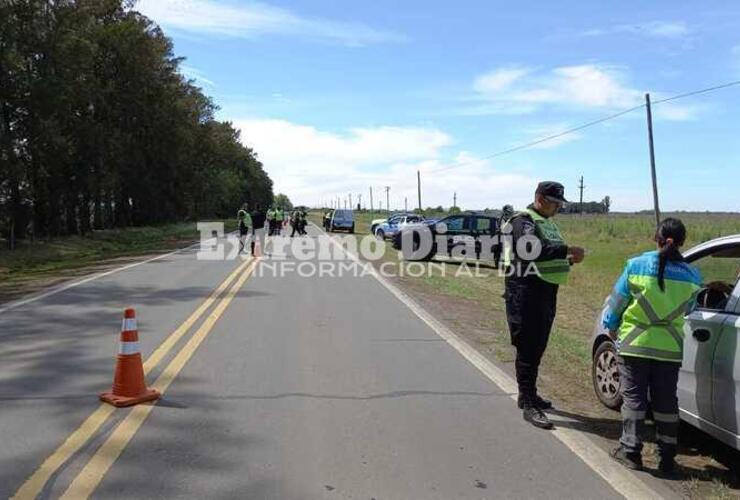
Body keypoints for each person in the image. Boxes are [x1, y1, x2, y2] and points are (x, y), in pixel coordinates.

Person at [604, 218, 702, 477]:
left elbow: (617, 302)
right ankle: (667, 458)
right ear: (682, 242)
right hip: (669, 348)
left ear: (655, 238)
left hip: (634, 346)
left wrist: (610, 325)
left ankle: (631, 452)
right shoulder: (693, 275)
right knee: (666, 402)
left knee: (634, 400)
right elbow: (691, 308)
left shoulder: (635, 265)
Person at [502, 182, 585, 429]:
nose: (558, 207)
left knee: (538, 345)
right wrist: (566, 249)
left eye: (560, 203)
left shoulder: (545, 221)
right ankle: (528, 403)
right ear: (539, 198)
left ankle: (529, 394)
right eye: (554, 202)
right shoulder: (524, 221)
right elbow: (530, 249)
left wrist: (566, 260)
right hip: (526, 293)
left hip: (545, 291)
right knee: (528, 347)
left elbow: (546, 257)